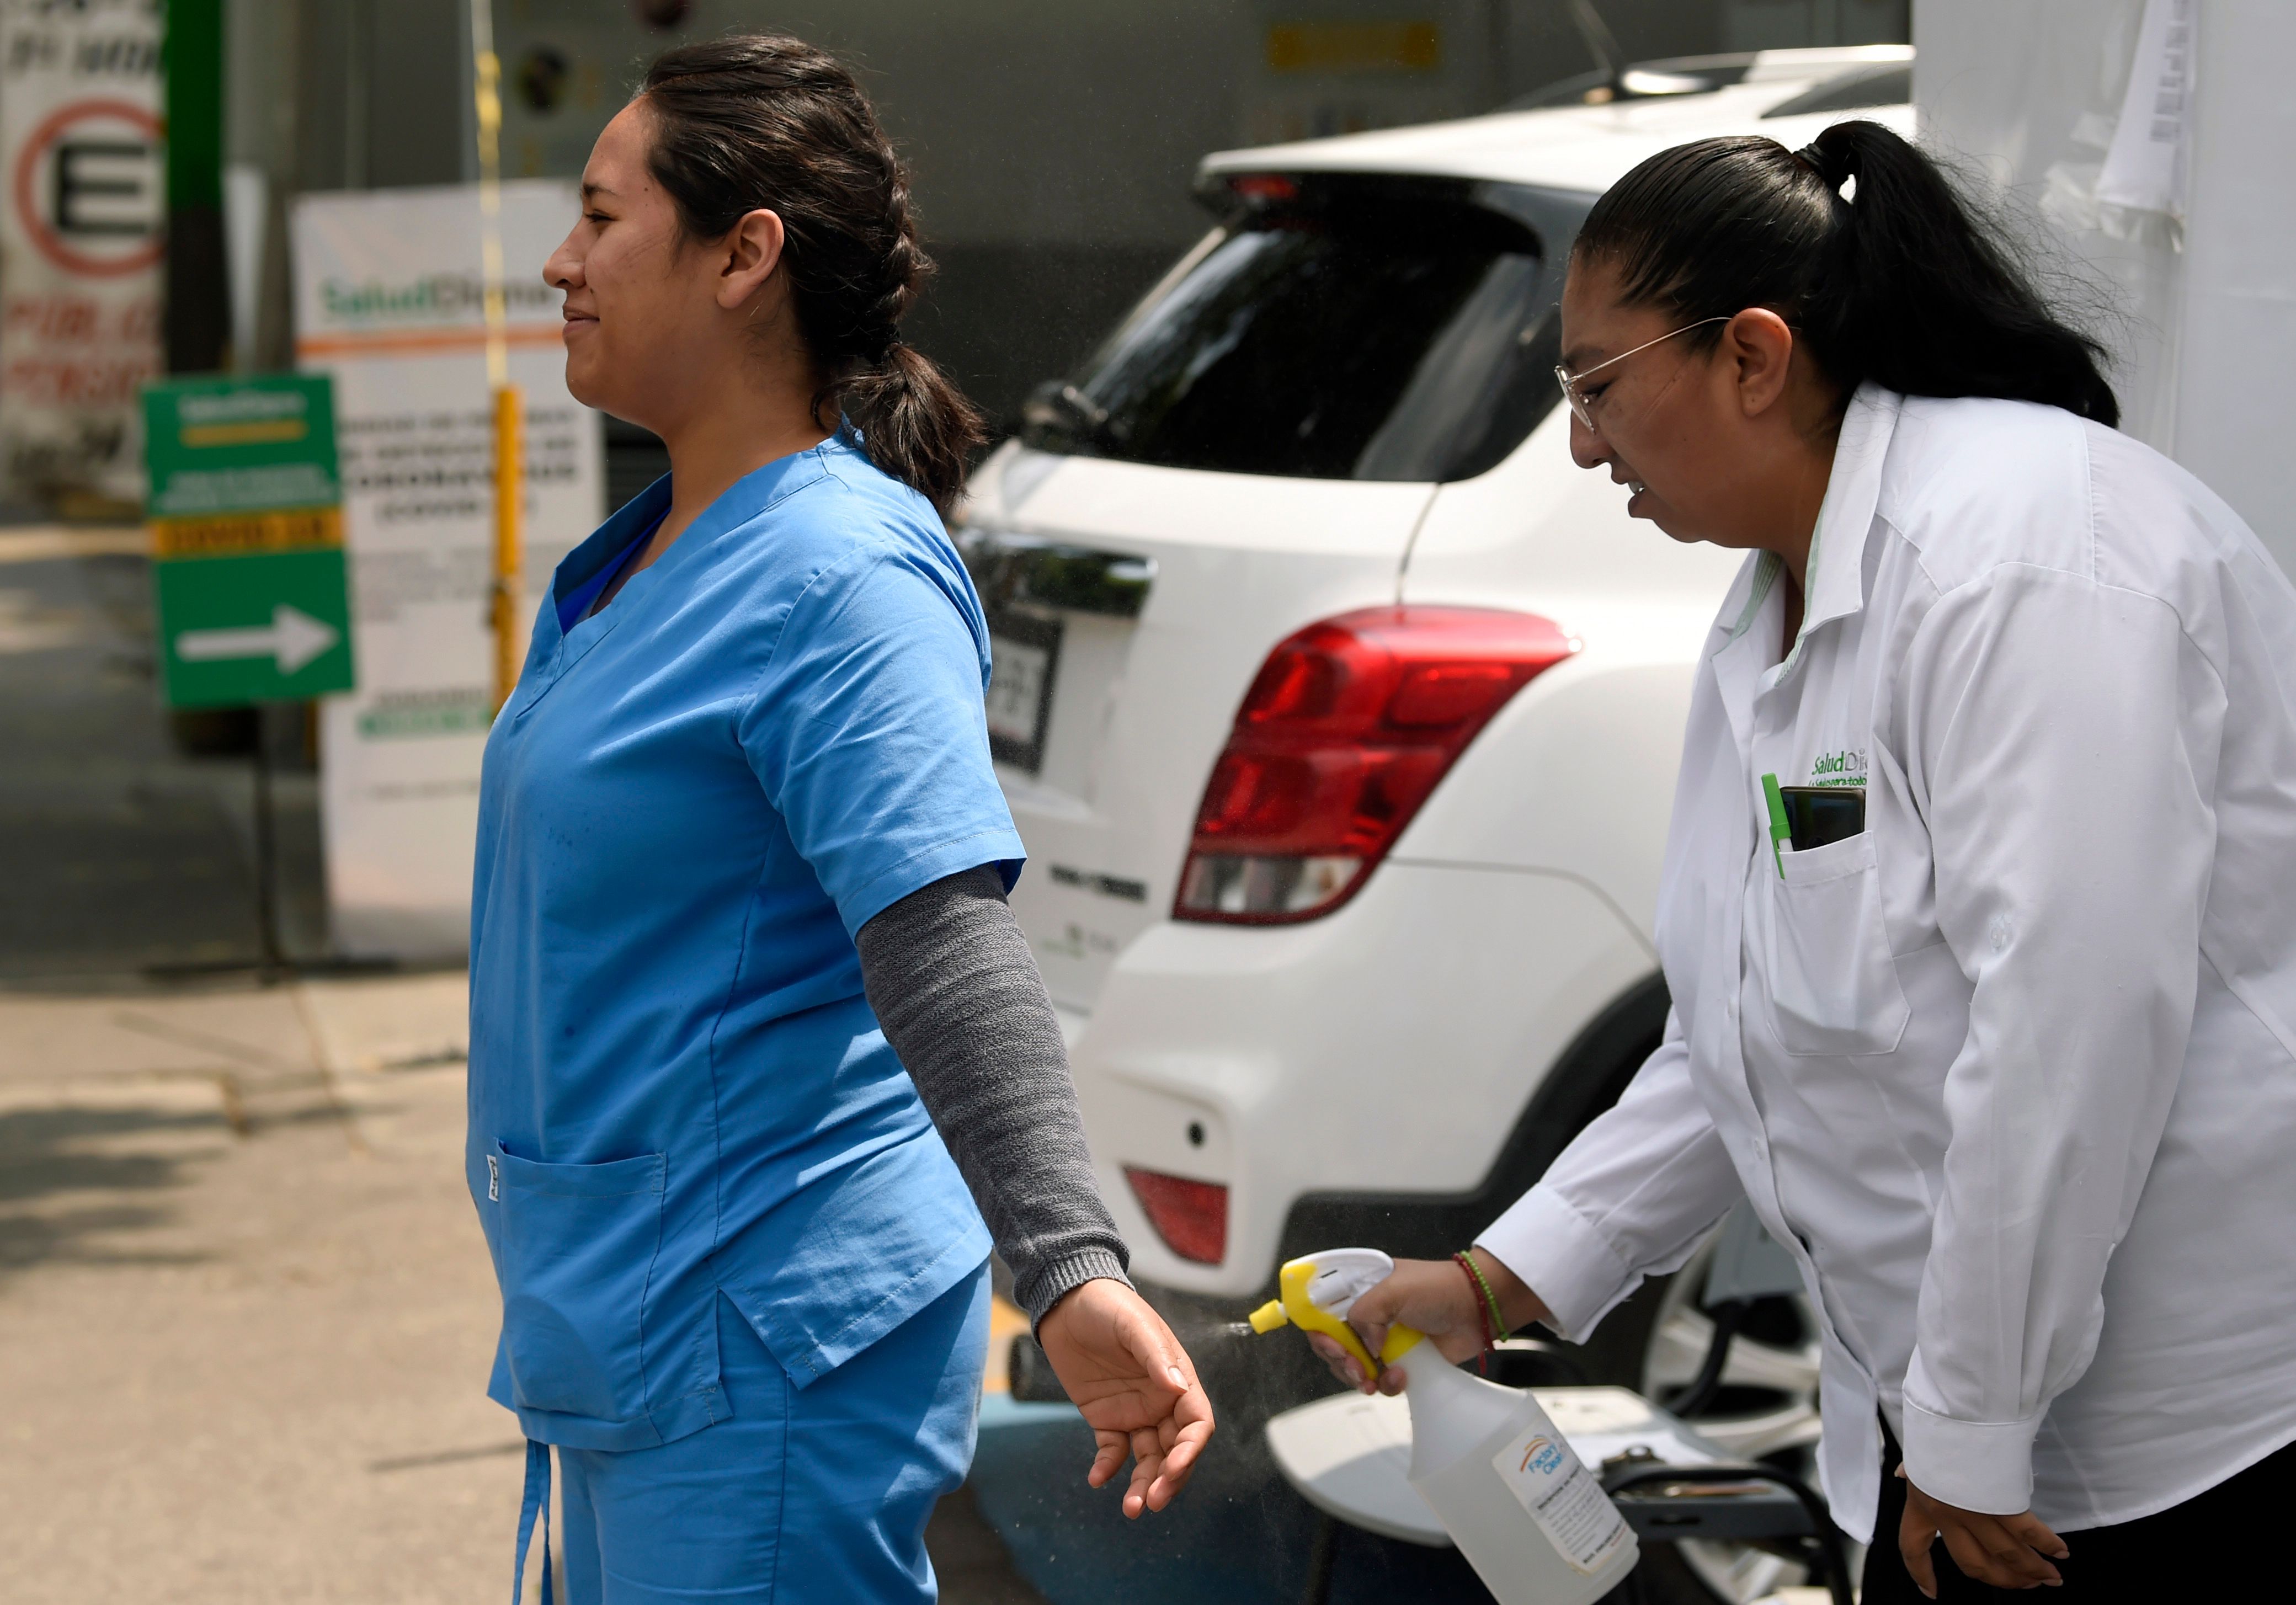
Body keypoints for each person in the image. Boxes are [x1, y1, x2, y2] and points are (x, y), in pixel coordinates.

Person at [1308, 120, 2296, 1600]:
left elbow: (2068, 1031)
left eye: (1595, 387)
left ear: (1752, 357)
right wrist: (1494, 1282)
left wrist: (1962, 1431)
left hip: (2174, 1439)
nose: (1582, 442)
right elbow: (1746, 1030)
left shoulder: (2023, 555)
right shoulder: (1774, 596)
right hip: (1954, 1427)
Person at [466, 34, 1212, 1604]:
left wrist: (1066, 1266)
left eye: (603, 219)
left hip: (757, 1339)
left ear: (747, 255)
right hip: (628, 1325)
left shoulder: (838, 576)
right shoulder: (645, 557)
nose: (561, 261)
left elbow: (940, 932)